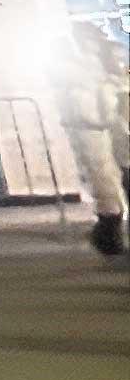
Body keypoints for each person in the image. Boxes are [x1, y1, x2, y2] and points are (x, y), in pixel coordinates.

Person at [63, 21, 130, 258]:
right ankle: (107, 235)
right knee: (104, 182)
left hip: (111, 125)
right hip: (91, 128)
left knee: (116, 177)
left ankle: (109, 234)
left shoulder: (103, 61)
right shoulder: (73, 65)